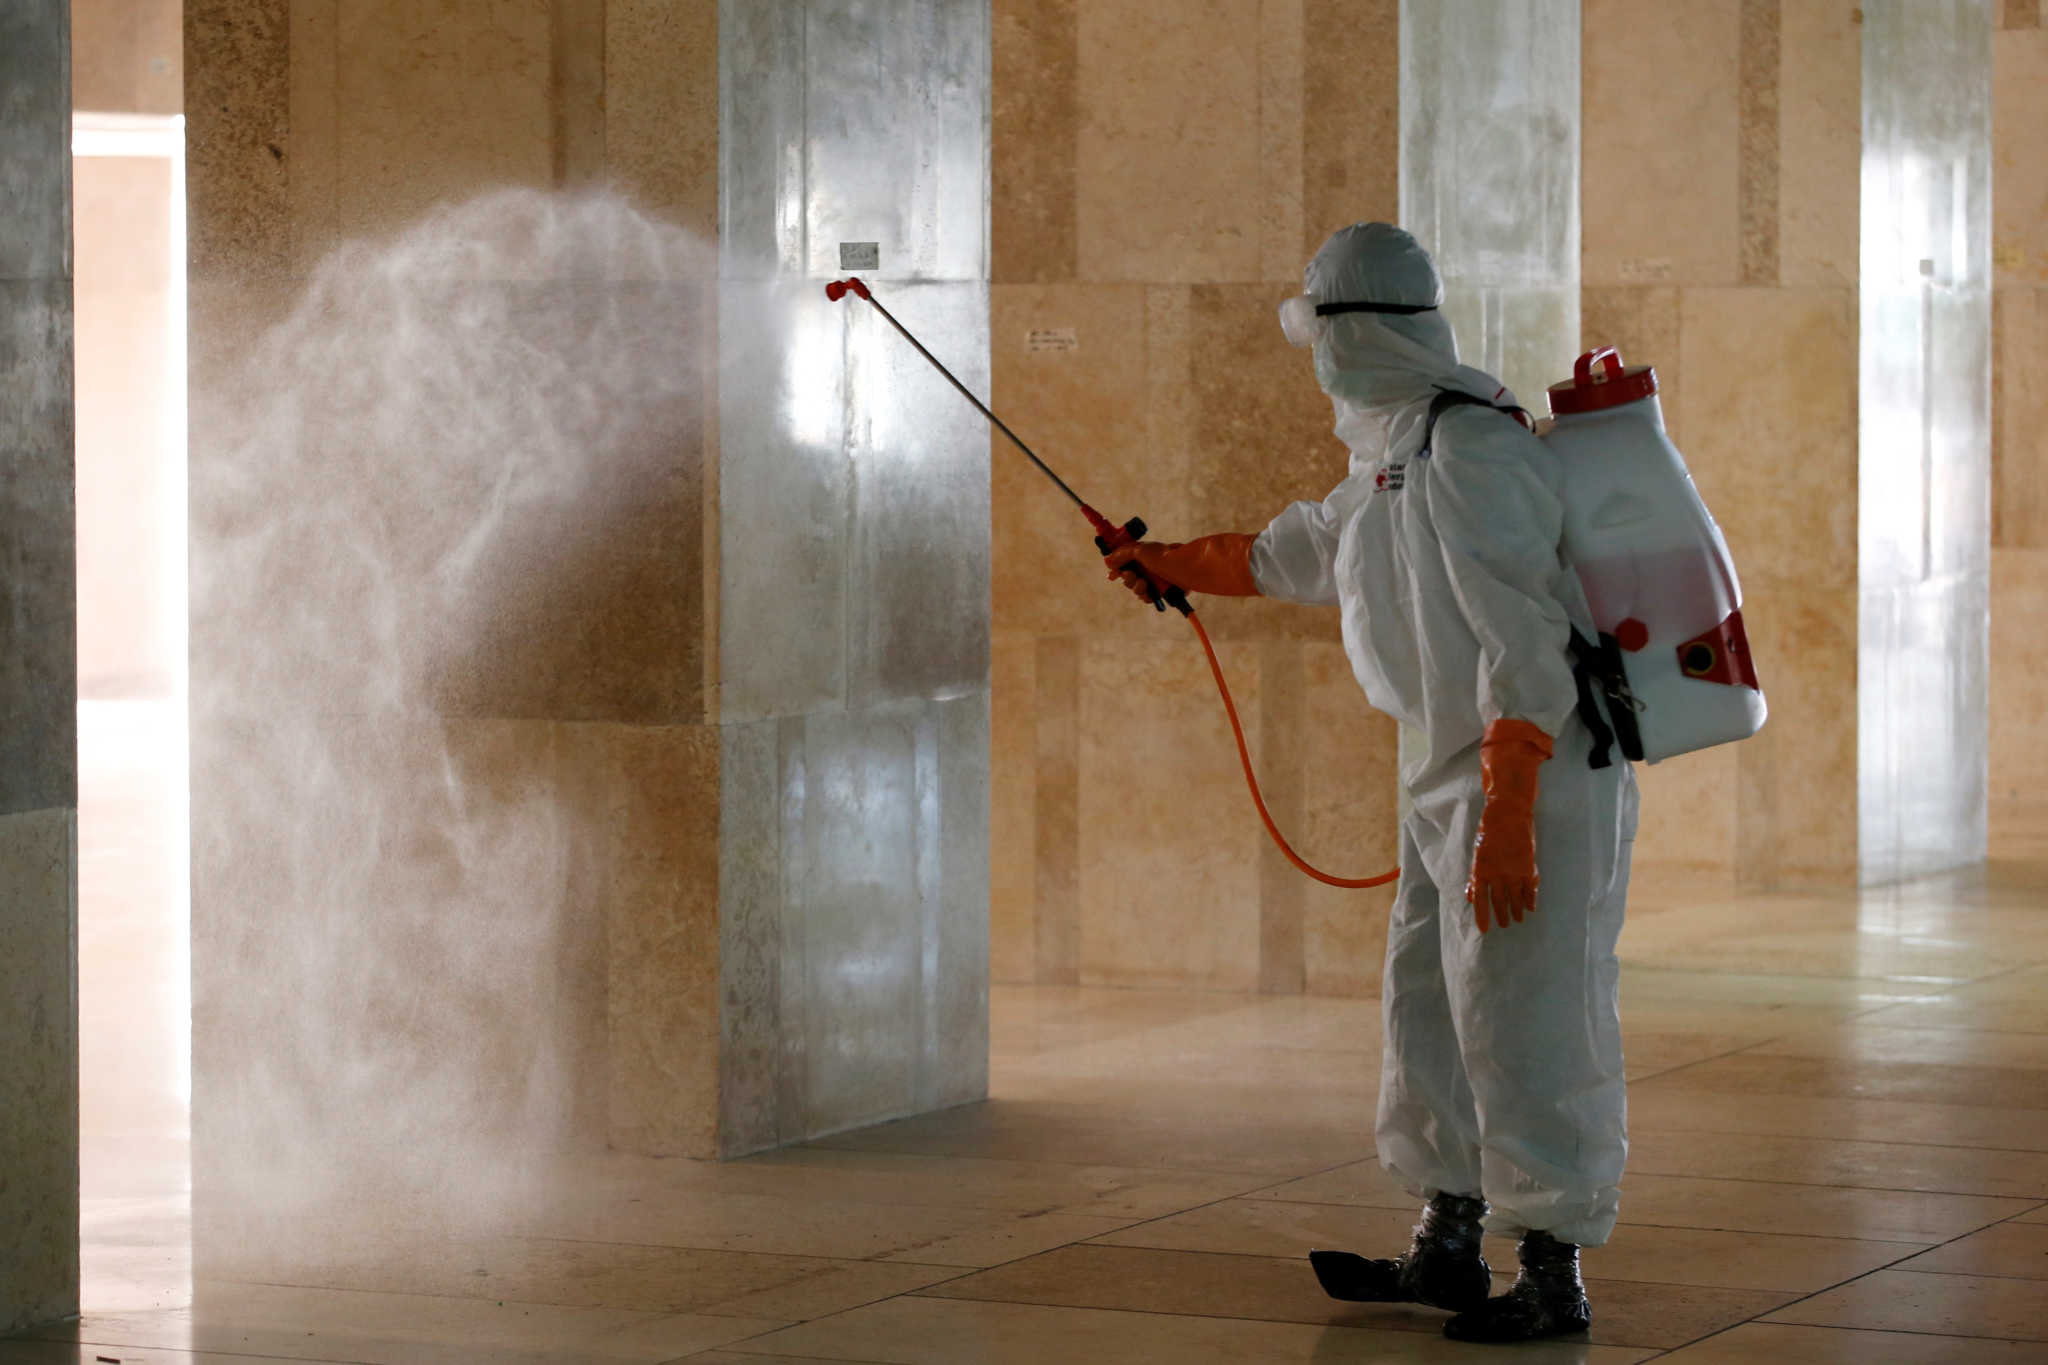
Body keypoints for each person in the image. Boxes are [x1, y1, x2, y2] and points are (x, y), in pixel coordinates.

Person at [1104, 222, 1637, 1345]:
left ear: (1357, 334)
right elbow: (1294, 552)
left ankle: (1551, 1270)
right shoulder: (1395, 457)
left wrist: (1508, 812)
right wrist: (1165, 561)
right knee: (1430, 1008)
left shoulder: (1472, 452)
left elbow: (1524, 645)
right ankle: (1446, 1240)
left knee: (1529, 1020)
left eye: (1321, 337)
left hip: (1529, 779)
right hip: (1447, 778)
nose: (1316, 361)